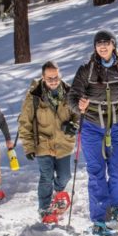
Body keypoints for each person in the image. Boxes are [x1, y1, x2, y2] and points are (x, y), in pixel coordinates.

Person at [68, 30, 118, 236]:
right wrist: (78, 105)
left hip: (116, 124)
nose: (102, 46)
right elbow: (72, 97)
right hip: (91, 125)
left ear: (113, 45)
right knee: (96, 171)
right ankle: (99, 219)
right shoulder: (86, 70)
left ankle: (114, 208)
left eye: (106, 43)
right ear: (95, 48)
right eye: (98, 44)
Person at [18, 61, 79, 219]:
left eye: (56, 77)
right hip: (42, 143)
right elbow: (25, 122)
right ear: (43, 77)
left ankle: (58, 194)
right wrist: (28, 146)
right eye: (49, 78)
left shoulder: (69, 92)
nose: (53, 81)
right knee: (46, 176)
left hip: (64, 143)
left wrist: (74, 125)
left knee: (65, 176)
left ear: (60, 76)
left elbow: (78, 114)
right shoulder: (35, 95)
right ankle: (44, 208)